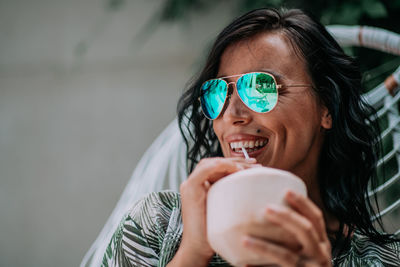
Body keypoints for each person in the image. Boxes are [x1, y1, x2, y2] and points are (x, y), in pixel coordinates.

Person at [101, 8, 400, 267]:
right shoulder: (155, 226)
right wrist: (192, 253)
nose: (231, 115)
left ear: (326, 106)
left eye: (261, 88)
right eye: (218, 93)